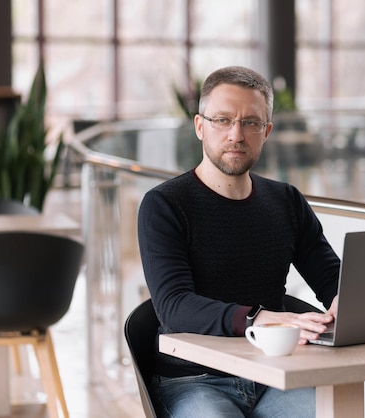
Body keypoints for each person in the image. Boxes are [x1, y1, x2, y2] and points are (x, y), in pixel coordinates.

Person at [137, 65, 341, 418]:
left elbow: (329, 274)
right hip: (195, 381)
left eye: (251, 122)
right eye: (222, 120)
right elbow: (173, 305)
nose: (236, 134)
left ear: (267, 132)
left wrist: (345, 301)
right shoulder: (164, 205)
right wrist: (258, 320)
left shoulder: (286, 201)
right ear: (200, 126)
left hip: (275, 373)